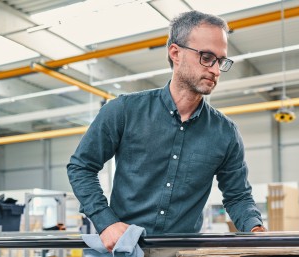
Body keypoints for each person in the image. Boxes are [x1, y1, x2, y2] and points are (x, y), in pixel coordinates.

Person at [67, 10, 265, 255]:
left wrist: (256, 231)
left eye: (221, 61)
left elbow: (238, 197)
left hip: (180, 252)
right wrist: (105, 221)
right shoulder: (124, 110)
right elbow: (81, 166)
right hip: (120, 248)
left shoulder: (225, 133)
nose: (215, 70)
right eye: (206, 57)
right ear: (175, 53)